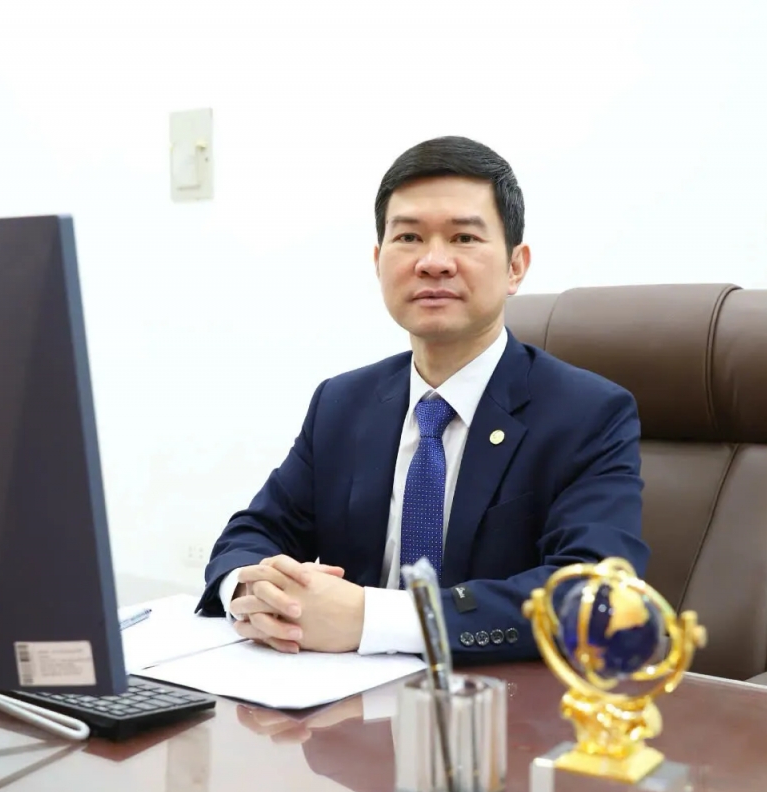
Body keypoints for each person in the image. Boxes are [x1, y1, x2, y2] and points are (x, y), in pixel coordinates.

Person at [195, 135, 649, 662]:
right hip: (344, 700)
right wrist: (252, 589)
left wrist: (374, 619)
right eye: (408, 237)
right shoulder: (342, 403)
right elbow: (253, 533)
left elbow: (594, 596)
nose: (434, 262)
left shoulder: (588, 414)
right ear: (378, 261)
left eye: (464, 238)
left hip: (499, 701)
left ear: (515, 266)